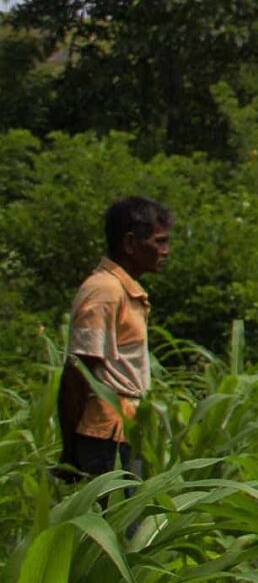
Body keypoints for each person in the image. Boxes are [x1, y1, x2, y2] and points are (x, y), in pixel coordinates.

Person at [57, 196, 172, 480]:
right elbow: (77, 372)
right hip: (107, 436)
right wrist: (70, 449)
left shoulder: (122, 290)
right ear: (130, 243)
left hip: (126, 431)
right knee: (122, 522)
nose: (166, 251)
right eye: (159, 242)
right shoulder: (105, 291)